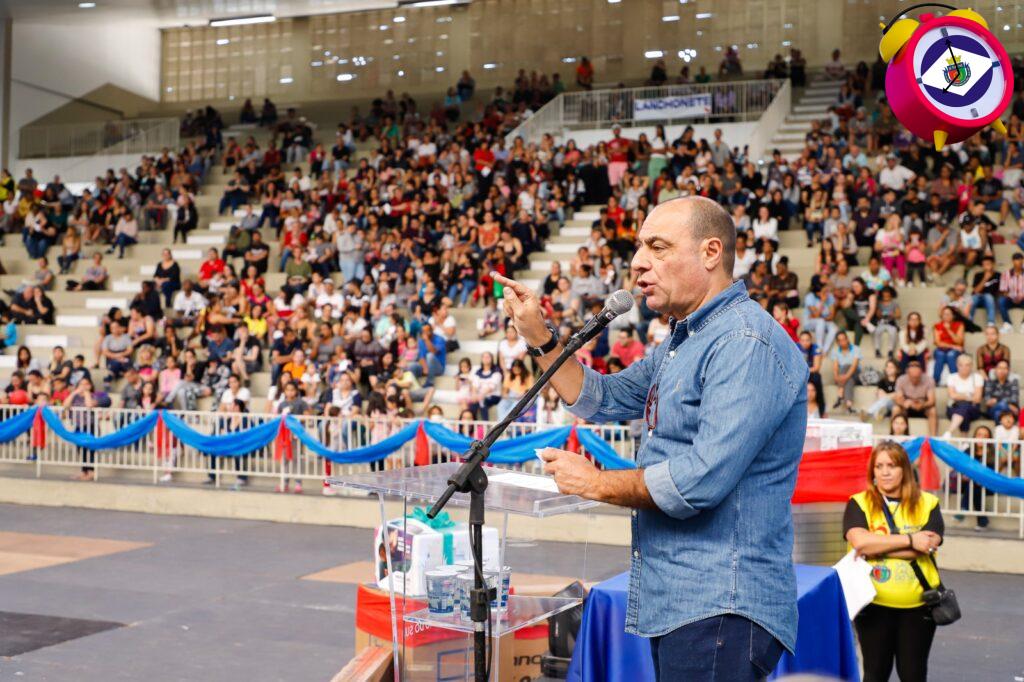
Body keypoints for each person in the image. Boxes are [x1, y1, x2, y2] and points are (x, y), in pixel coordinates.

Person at [497, 197, 807, 680]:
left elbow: (698, 481)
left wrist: (596, 483)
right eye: (640, 247)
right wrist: (540, 337)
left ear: (710, 252)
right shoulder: (687, 340)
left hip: (721, 604)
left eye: (658, 247)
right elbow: (600, 399)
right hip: (688, 602)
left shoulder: (744, 342)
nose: (639, 262)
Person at [844, 441, 944, 682]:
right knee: (875, 674)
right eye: (879, 466)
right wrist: (911, 540)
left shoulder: (928, 503)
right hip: (872, 605)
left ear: (904, 470)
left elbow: (927, 546)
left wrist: (877, 547)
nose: (885, 472)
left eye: (892, 465)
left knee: (913, 675)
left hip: (919, 606)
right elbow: (860, 543)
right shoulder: (859, 502)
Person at [892, 361, 938, 436]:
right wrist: (904, 403)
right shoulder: (901, 380)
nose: (915, 379)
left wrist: (923, 404)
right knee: (896, 409)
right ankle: (893, 435)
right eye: (912, 377)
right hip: (907, 407)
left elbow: (932, 401)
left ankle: (933, 437)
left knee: (933, 410)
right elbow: (898, 398)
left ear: (921, 373)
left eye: (917, 377)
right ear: (908, 374)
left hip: (923, 407)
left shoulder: (929, 380)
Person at [943, 354, 984, 438]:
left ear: (971, 366)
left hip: (973, 409)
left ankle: (949, 432)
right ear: (957, 365)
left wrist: (960, 396)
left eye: (967, 365)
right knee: (964, 409)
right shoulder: (951, 377)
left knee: (964, 407)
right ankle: (964, 441)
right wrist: (969, 395)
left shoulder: (978, 377)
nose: (964, 368)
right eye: (961, 365)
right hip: (953, 407)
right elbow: (952, 396)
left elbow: (977, 399)